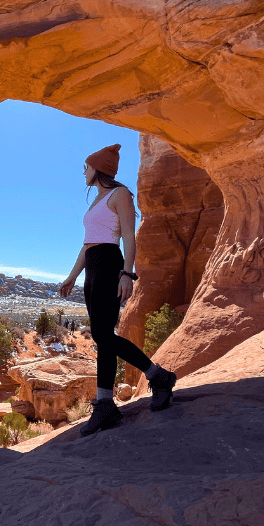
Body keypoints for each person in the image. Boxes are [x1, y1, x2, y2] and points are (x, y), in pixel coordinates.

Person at [58, 143, 178, 436]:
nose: (84, 172)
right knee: (104, 337)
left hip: (111, 263)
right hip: (93, 268)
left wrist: (127, 272)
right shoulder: (95, 202)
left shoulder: (120, 194)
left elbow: (128, 234)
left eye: (86, 167)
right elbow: (87, 245)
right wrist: (72, 276)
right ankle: (106, 405)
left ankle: (156, 377)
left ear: (99, 168)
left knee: (102, 335)